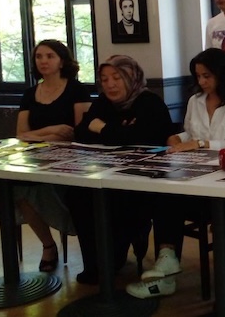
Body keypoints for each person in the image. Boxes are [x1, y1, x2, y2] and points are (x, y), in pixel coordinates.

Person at [0, 40, 90, 273]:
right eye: (39, 56)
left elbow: (77, 132)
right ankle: (48, 246)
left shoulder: (76, 89)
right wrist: (51, 131)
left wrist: (40, 136)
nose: (43, 61)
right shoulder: (31, 94)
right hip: (34, 158)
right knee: (20, 186)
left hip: (68, 162)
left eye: (49, 56)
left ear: (62, 61)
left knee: (17, 187)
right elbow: (21, 134)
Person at [125, 48, 225, 299]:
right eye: (198, 76)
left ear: (221, 74)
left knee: (200, 205)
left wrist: (199, 144)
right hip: (196, 174)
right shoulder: (196, 101)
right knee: (164, 194)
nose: (202, 82)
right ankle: (167, 258)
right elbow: (190, 133)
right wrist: (177, 138)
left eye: (207, 76)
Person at [66, 55, 172, 285]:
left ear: (131, 77)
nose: (110, 84)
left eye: (117, 77)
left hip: (146, 179)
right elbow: (82, 132)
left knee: (119, 198)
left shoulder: (149, 102)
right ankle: (95, 263)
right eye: (104, 79)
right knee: (77, 194)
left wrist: (103, 129)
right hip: (107, 173)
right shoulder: (104, 102)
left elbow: (144, 139)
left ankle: (114, 255)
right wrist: (117, 132)